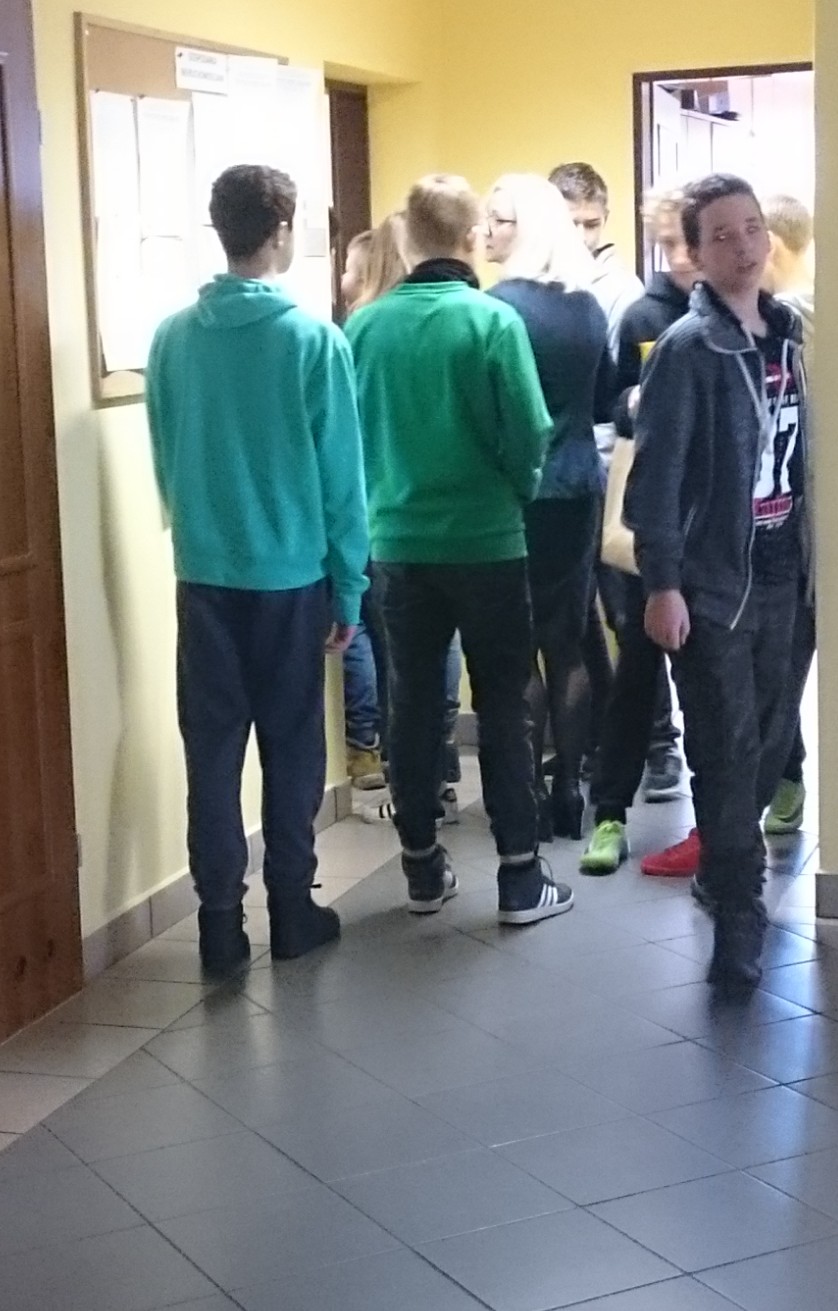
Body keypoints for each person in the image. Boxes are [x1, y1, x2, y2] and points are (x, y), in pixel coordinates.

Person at [143, 165, 367, 977]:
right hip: (290, 578)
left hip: (203, 575)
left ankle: (218, 925)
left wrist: (201, 527)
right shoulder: (312, 341)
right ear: (280, 232)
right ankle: (292, 908)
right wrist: (350, 583)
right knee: (292, 748)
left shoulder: (172, 338)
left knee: (210, 754)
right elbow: (341, 476)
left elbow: (165, 451)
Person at [347, 175, 576, 926]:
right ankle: (519, 878)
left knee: (411, 704)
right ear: (474, 237)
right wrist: (517, 486)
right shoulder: (491, 321)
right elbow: (529, 429)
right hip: (487, 542)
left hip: (397, 544)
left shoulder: (364, 329)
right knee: (504, 706)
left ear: (407, 238)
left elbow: (351, 435)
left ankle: (421, 869)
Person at [624, 175, 812, 991]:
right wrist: (662, 583)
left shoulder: (791, 335)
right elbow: (656, 479)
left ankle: (722, 870)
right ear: (696, 254)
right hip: (713, 584)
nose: (743, 246)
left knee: (768, 744)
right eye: (723, 235)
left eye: (753, 228)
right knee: (724, 752)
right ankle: (740, 912)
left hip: (787, 575)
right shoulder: (687, 350)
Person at [484, 174, 618, 841]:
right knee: (567, 645)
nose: (485, 230)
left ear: (527, 227)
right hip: (580, 486)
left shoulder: (496, 309)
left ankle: (530, 793)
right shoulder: (587, 307)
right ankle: (570, 787)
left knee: (517, 651)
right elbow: (605, 398)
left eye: (499, 219)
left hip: (520, 493)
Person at [582, 194, 698, 872]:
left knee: (720, 683)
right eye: (668, 242)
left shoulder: (749, 319)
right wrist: (638, 402)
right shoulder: (642, 317)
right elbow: (612, 404)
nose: (680, 257)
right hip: (648, 525)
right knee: (635, 665)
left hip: (715, 535)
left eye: (689, 240)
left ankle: (765, 790)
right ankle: (611, 812)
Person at [331, 222, 412, 795]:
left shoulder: (355, 334)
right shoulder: (422, 326)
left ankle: (365, 749)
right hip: (418, 512)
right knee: (418, 644)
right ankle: (431, 757)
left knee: (357, 627)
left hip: (367, 506)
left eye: (348, 270)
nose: (341, 280)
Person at [549, 159, 638, 316]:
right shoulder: (527, 280)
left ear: (605, 219)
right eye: (570, 224)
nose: (581, 237)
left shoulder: (624, 290)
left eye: (591, 225)